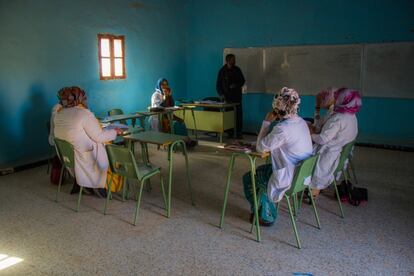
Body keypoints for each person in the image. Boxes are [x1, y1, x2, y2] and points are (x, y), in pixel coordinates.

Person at [243, 87, 313, 226]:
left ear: (277, 108)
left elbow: (261, 147)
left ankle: (264, 215)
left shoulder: (282, 129)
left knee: (250, 178)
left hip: (288, 177)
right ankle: (264, 208)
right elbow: (278, 142)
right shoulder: (301, 122)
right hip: (300, 176)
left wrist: (266, 123)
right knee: (263, 171)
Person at [53, 86, 123, 196]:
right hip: (85, 157)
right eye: (84, 98)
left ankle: (83, 185)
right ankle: (102, 186)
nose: (85, 100)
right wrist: (115, 132)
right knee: (113, 154)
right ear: (78, 99)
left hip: (69, 157)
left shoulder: (59, 114)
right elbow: (98, 137)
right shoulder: (84, 114)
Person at [310, 87, 362, 198]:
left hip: (328, 155)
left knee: (296, 153)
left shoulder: (338, 118)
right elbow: (320, 126)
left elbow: (323, 138)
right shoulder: (351, 116)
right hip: (339, 154)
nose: (334, 99)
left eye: (337, 97)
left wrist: (309, 135)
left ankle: (308, 190)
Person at [149, 78, 197, 147]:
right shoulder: (155, 95)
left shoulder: (166, 93)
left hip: (168, 115)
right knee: (175, 124)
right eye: (162, 84)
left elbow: (172, 104)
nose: (164, 86)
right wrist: (165, 97)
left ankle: (186, 140)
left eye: (166, 84)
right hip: (160, 117)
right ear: (159, 85)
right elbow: (159, 107)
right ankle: (184, 142)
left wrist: (170, 95)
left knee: (181, 121)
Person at [216, 54, 245, 138]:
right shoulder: (222, 71)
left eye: (234, 59)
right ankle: (230, 132)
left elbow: (242, 81)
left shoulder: (237, 70)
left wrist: (236, 85)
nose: (234, 61)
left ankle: (238, 133)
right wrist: (221, 94)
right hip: (227, 98)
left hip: (237, 97)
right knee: (228, 115)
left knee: (238, 115)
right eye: (233, 60)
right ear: (228, 61)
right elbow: (218, 84)